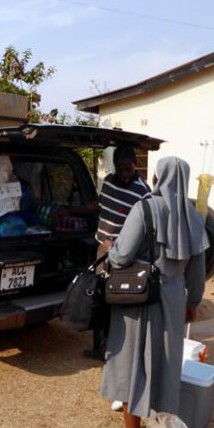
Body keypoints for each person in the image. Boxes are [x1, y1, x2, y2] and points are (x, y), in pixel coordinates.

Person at [100, 156, 209, 428]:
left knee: (132, 366)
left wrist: (111, 248)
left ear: (158, 179)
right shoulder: (194, 217)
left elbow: (121, 257)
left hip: (139, 298)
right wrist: (192, 303)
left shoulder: (145, 207)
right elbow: (197, 271)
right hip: (173, 300)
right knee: (164, 367)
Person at [64, 144, 151, 360]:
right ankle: (100, 346)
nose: (123, 175)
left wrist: (118, 245)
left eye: (127, 170)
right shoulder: (110, 182)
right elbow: (97, 206)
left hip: (122, 258)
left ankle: (116, 348)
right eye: (120, 169)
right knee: (98, 299)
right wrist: (70, 211)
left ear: (135, 165)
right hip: (100, 254)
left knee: (117, 301)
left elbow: (144, 229)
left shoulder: (143, 191)